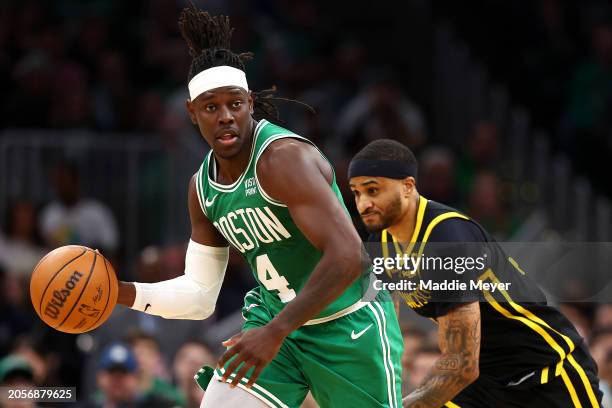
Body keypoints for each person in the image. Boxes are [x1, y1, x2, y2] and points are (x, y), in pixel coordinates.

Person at [116, 4, 402, 408]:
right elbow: (199, 297)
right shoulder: (202, 188)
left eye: (235, 104)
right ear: (191, 112)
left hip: (346, 325)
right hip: (275, 323)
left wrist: (277, 330)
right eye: (211, 108)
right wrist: (117, 292)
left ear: (250, 102)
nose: (226, 117)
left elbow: (348, 255)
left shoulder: (282, 159)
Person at [348, 139, 602, 407]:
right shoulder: (379, 244)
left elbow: (461, 366)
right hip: (484, 384)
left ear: (408, 187)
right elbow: (389, 334)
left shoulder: (447, 237)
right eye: (356, 193)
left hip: (547, 374)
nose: (363, 203)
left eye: (373, 191)